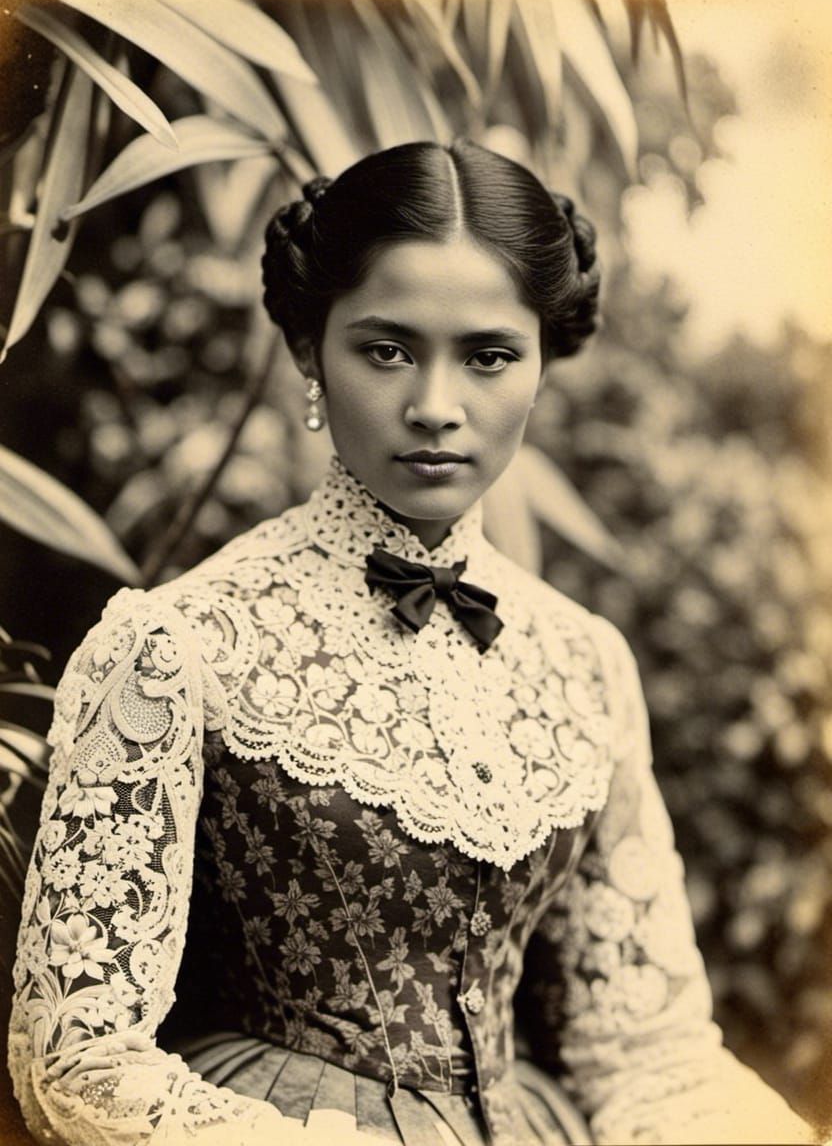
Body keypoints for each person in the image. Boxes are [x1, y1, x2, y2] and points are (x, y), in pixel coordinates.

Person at [7, 140, 820, 1146]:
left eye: (488, 356)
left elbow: (644, 1047)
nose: (436, 407)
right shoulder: (176, 646)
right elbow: (76, 1058)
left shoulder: (583, 662)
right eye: (387, 350)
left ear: (539, 364)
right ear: (309, 351)